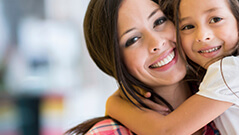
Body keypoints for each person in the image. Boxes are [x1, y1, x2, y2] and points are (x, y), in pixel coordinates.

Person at [106, 0, 239, 134]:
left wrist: (113, 104)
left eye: (215, 19)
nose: (202, 36)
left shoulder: (234, 70)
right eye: (187, 27)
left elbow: (167, 131)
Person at [65, 0, 220, 134]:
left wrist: (114, 103)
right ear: (114, 61)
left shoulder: (226, 93)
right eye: (133, 39)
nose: (157, 43)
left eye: (159, 21)